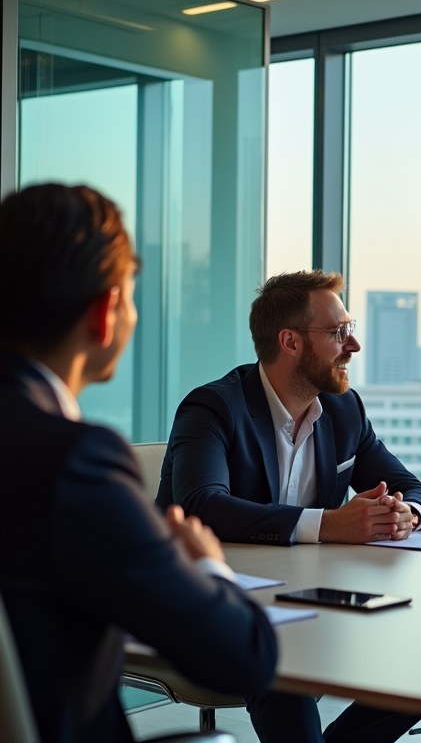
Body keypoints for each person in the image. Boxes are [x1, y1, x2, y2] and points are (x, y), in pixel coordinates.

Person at [0, 183, 277, 743]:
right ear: (105, 314)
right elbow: (241, 657)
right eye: (129, 296)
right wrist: (204, 564)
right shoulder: (73, 462)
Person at [157, 268, 421, 743]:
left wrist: (402, 513)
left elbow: (416, 488)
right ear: (289, 342)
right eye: (338, 332)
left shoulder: (345, 411)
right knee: (281, 668)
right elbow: (202, 506)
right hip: (214, 602)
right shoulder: (213, 408)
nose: (353, 345)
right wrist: (330, 524)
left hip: (311, 603)